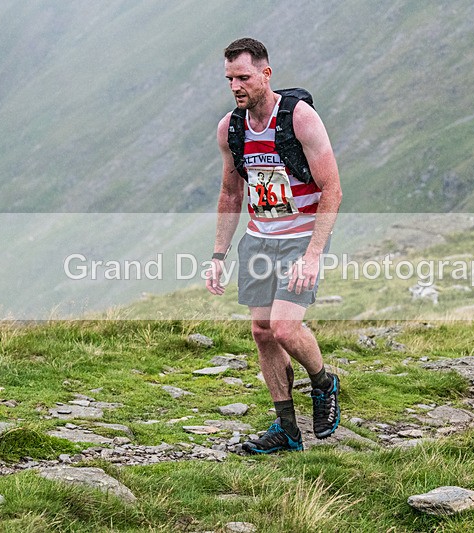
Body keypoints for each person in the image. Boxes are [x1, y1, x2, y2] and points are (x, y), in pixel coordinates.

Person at [206, 37, 343, 454]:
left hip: (301, 237)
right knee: (262, 332)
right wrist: (218, 256)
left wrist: (313, 255)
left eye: (243, 77)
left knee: (285, 328)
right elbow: (231, 194)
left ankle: (323, 381)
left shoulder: (300, 119)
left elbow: (332, 188)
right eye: (230, 78)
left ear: (266, 73)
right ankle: (287, 429)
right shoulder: (230, 128)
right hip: (259, 238)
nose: (235, 86)